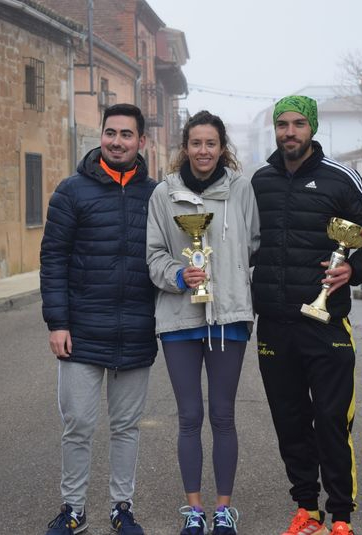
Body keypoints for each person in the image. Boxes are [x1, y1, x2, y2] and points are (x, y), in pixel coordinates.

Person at [251, 96, 362, 535]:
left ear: (311, 128)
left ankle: (342, 517)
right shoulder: (259, 181)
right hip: (274, 324)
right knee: (290, 422)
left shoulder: (340, 179)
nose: (289, 132)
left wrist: (353, 270)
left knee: (332, 420)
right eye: (281, 124)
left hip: (326, 325)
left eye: (297, 124)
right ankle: (306, 510)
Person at [40, 103, 157, 535]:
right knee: (79, 426)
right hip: (81, 333)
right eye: (111, 132)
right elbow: (53, 259)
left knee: (126, 427)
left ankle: (121, 508)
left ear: (141, 141)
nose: (117, 141)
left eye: (127, 135)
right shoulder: (71, 191)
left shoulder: (156, 195)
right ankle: (73, 509)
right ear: (101, 136)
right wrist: (57, 323)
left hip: (136, 331)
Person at [146, 110, 260, 535]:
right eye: (196, 143)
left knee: (224, 415)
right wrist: (179, 275)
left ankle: (224, 509)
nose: (204, 151)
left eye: (211, 143)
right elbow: (153, 254)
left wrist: (234, 282)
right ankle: (194, 510)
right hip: (179, 319)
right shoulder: (164, 194)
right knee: (189, 415)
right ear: (185, 147)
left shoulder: (242, 191)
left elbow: (255, 247)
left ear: (222, 147)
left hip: (229, 317)